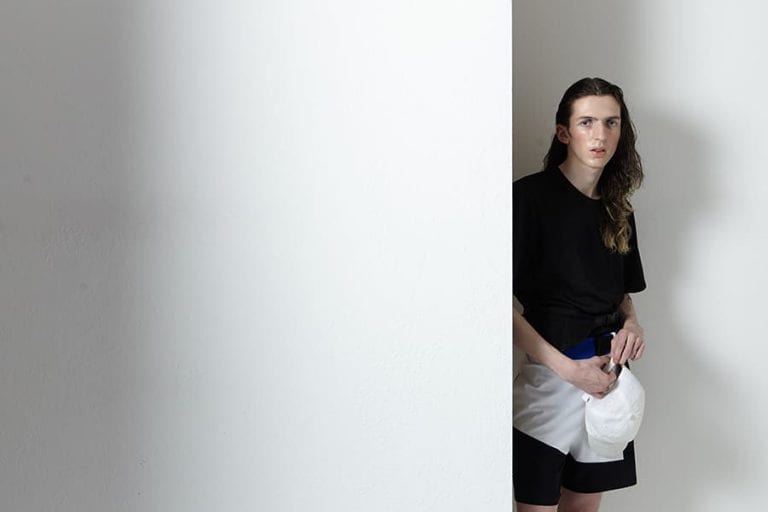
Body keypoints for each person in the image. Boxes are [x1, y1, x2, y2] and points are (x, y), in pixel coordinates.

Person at [513, 77, 647, 512]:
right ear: (564, 132)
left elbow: (620, 292)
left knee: (585, 508)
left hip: (610, 383)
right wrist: (568, 370)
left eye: (611, 122)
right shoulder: (527, 199)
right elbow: (495, 305)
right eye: (587, 122)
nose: (600, 134)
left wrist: (632, 323)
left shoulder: (618, 208)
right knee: (535, 506)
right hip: (550, 380)